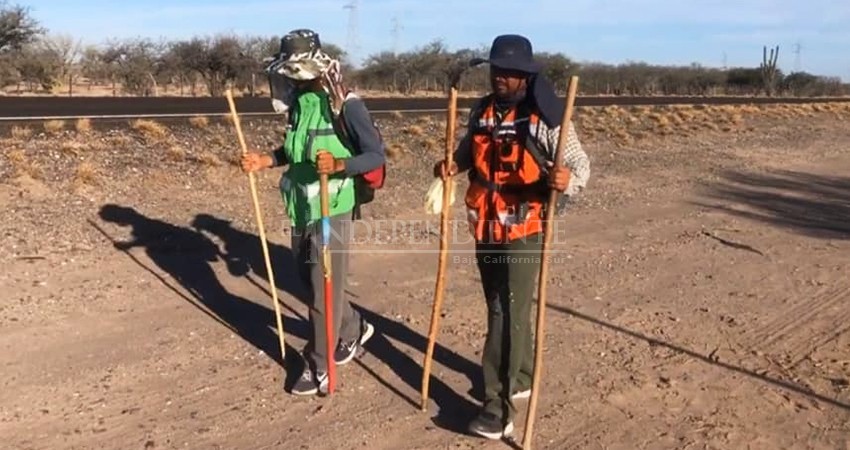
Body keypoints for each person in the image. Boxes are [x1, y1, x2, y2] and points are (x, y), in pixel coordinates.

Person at [433, 34, 591, 439]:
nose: (500, 77)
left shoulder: (547, 118)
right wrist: (450, 165)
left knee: (507, 309)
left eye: (510, 73)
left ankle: (496, 406)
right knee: (498, 304)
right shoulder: (481, 110)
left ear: (527, 76)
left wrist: (566, 178)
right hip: (485, 220)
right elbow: (468, 152)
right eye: (496, 70)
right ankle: (520, 376)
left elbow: (579, 164)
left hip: (525, 223)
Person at [241, 29, 385, 396]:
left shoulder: (345, 104)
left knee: (322, 290)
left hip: (332, 206)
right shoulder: (300, 103)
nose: (290, 76)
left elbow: (374, 156)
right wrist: (268, 159)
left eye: (296, 69)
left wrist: (339, 163)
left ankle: (319, 364)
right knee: (309, 281)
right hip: (303, 206)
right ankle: (352, 329)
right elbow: (297, 149)